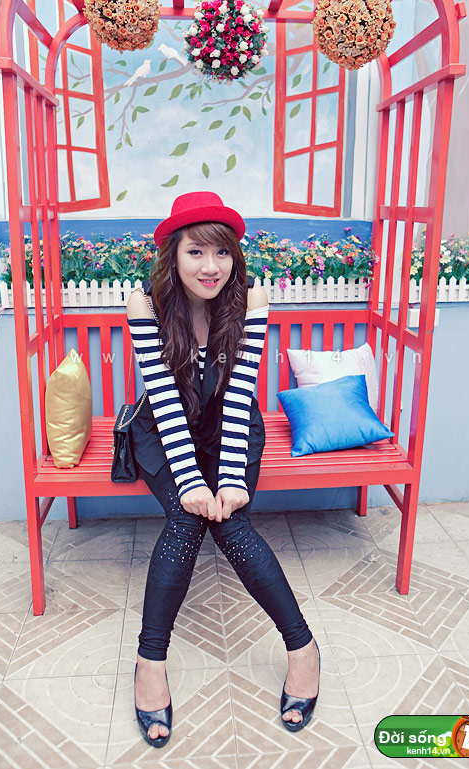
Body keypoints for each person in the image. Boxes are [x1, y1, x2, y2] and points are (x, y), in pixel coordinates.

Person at [126, 191, 320, 748]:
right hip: (166, 433)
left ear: (235, 256)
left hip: (228, 432)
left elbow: (239, 395)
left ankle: (302, 650)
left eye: (221, 252)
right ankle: (151, 664)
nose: (210, 266)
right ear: (173, 255)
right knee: (188, 519)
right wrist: (191, 482)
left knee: (230, 519)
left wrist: (230, 478)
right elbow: (164, 399)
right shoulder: (145, 305)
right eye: (196, 252)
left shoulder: (250, 299)